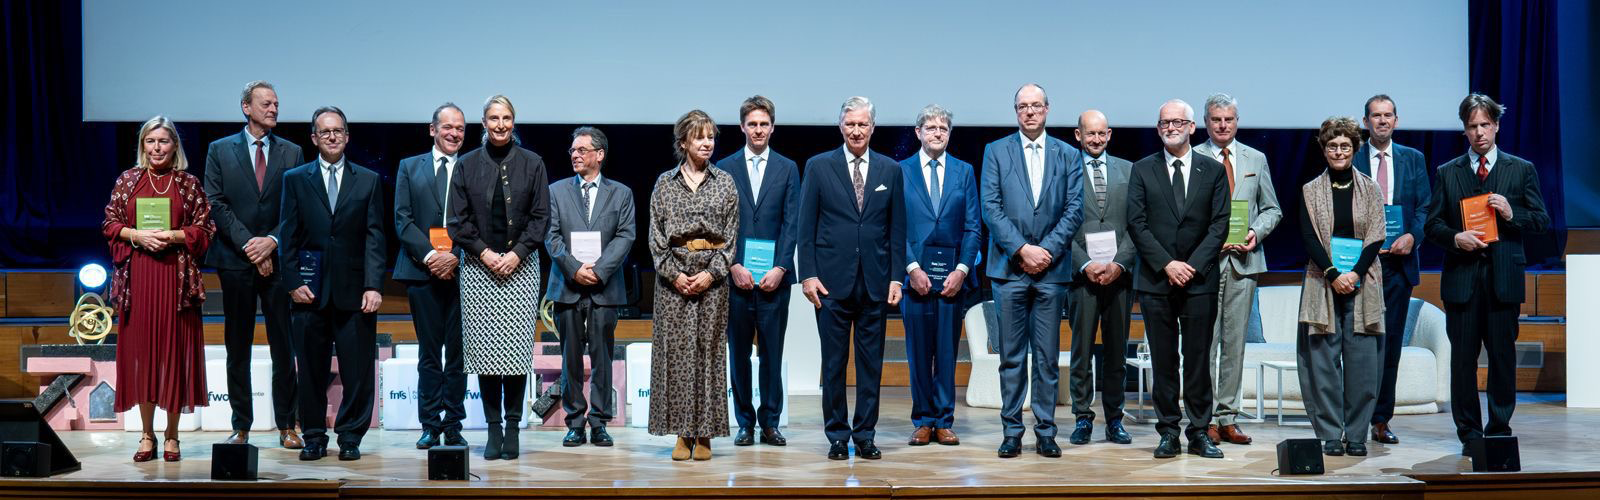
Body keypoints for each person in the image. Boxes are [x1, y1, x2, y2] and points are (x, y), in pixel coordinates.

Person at [1423, 93, 1549, 456]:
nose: (1479, 132)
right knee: (1463, 362)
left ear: (1496, 126)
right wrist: (1455, 238)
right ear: (1464, 130)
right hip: (1462, 282)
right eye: (1472, 126)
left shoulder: (1520, 169)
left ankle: (1499, 429)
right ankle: (1469, 434)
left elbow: (1540, 221)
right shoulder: (1448, 172)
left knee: (1502, 359)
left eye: (1485, 125)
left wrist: (1511, 213)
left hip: (1503, 281)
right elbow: (1432, 225)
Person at [798, 96, 907, 461]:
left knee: (870, 366)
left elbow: (897, 229)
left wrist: (896, 278)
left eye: (862, 124)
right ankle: (836, 435)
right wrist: (808, 275)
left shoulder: (890, 169)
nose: (856, 131)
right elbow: (805, 227)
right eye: (850, 124)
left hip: (875, 283)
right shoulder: (818, 166)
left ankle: (865, 435)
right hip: (830, 285)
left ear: (872, 128)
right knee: (833, 365)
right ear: (840, 127)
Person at [102, 116, 215, 462]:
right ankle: (147, 434)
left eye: (163, 141)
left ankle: (172, 436)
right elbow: (110, 223)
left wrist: (174, 236)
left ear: (174, 145)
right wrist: (136, 235)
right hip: (139, 279)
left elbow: (205, 229)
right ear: (142, 145)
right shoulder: (128, 180)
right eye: (150, 141)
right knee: (144, 357)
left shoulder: (188, 183)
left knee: (173, 355)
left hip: (175, 282)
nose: (156, 148)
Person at [979, 84, 1083, 459]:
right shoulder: (996, 151)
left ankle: (1046, 431)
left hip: (1051, 272)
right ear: (1016, 111)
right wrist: (1023, 249)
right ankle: (1011, 431)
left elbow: (1075, 209)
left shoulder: (1067, 154)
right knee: (1010, 356)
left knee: (1046, 358)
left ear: (1047, 109)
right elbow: (990, 207)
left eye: (1036, 105)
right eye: (1023, 106)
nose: (1029, 112)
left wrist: (1046, 251)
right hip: (1009, 270)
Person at [279, 106, 386, 461]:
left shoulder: (368, 180)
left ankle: (351, 436)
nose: (332, 136)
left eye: (338, 130)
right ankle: (313, 436)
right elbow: (288, 235)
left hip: (355, 293)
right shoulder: (295, 179)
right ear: (314, 138)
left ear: (347, 136)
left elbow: (375, 237)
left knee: (357, 371)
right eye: (325, 131)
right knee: (311, 370)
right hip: (309, 293)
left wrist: (374, 285)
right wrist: (292, 282)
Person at [204, 80, 304, 449]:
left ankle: (287, 425)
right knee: (238, 345)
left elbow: (296, 206)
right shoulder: (220, 149)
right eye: (266, 103)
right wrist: (251, 246)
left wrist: (271, 242)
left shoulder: (292, 152)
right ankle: (241, 425)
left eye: (276, 103)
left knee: (283, 346)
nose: (274, 109)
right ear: (246, 107)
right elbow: (216, 203)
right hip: (235, 260)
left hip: (279, 260)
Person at [449, 94, 550, 461]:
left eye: (506, 118)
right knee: (486, 353)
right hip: (479, 269)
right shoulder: (466, 164)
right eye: (494, 118)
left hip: (521, 269)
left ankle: (513, 426)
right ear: (484, 123)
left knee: (515, 353)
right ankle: (493, 428)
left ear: (513, 121)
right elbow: (458, 221)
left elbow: (541, 218)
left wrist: (516, 254)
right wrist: (486, 254)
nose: (500, 125)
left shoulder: (533, 163)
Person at [1127, 99, 1229, 459]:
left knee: (1198, 359)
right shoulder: (1142, 169)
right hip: (1156, 281)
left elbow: (1220, 224)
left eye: (1177, 122)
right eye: (1164, 123)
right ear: (1158, 129)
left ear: (1191, 127)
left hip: (1199, 281)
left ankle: (1199, 431)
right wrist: (1168, 264)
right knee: (1164, 360)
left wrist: (1192, 266)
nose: (1170, 128)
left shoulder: (1212, 170)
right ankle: (1168, 431)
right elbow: (1136, 223)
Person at [1191, 93, 1281, 446]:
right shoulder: (1192, 157)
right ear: (1205, 122)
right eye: (1216, 119)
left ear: (1237, 122)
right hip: (1206, 264)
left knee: (1234, 344)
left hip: (1243, 263)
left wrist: (1255, 232)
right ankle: (1205, 418)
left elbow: (1272, 209)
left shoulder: (1255, 158)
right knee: (1204, 343)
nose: (1222, 125)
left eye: (1228, 119)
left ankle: (1227, 417)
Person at [647, 110, 738, 461]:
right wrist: (675, 275)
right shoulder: (664, 183)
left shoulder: (725, 182)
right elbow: (656, 238)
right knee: (676, 354)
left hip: (712, 283)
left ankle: (705, 434)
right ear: (683, 142)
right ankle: (682, 433)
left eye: (711, 137)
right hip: (674, 283)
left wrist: (710, 274)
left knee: (708, 353)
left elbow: (730, 238)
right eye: (699, 137)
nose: (707, 143)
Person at [1295, 116, 1386, 457]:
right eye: (1332, 146)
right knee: (1322, 363)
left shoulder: (1371, 189)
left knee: (1363, 363)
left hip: (1363, 284)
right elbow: (1308, 237)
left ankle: (1357, 434)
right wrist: (1334, 274)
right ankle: (1331, 433)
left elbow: (1377, 234)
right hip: (1322, 282)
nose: (1338, 151)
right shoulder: (1310, 190)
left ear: (1354, 149)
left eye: (1345, 146)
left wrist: (1355, 274)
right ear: (1324, 149)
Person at [715, 95, 800, 448]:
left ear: (773, 127)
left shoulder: (788, 168)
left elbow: (792, 223)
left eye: (764, 124)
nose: (759, 130)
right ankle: (745, 423)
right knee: (738, 356)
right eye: (753, 124)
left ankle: (770, 423)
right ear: (742, 127)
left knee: (771, 355)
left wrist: (781, 267)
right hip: (735, 279)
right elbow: (718, 223)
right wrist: (732, 264)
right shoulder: (724, 167)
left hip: (774, 281)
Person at [546, 126, 636, 448]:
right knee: (570, 358)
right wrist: (574, 269)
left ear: (600, 155)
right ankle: (574, 423)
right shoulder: (556, 191)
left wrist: (598, 271)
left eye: (582, 150)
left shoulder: (621, 193)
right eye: (572, 150)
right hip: (567, 286)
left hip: (604, 287)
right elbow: (551, 236)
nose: (575, 155)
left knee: (602, 358)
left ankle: (599, 422)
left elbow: (625, 235)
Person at [898, 104, 980, 447]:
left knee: (946, 353)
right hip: (914, 279)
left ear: (949, 134)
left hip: (952, 282)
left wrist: (962, 270)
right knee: (918, 355)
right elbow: (894, 226)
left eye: (943, 128)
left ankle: (944, 420)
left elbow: (973, 227)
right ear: (918, 133)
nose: (937, 133)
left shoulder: (964, 171)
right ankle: (923, 420)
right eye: (930, 128)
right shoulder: (900, 170)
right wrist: (912, 268)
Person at [1352, 94, 1430, 445]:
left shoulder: (1413, 158)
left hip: (1398, 264)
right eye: (1376, 116)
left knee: (1391, 343)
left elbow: (1426, 207)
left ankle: (1381, 419)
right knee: (1359, 342)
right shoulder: (1352, 157)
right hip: (1360, 265)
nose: (1382, 121)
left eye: (1388, 115)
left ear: (1396, 120)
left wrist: (1412, 236)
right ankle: (1355, 417)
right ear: (1365, 121)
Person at [393, 103, 468, 449]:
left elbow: (477, 222)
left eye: (460, 128)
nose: (454, 133)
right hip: (421, 272)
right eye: (448, 127)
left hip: (462, 272)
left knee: (457, 354)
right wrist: (430, 256)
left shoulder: (471, 167)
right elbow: (402, 219)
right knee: (429, 352)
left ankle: (453, 424)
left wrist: (454, 256)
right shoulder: (409, 167)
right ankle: (430, 424)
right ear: (432, 129)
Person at [1065, 110, 1135, 446]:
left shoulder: (1129, 170)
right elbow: (1059, 225)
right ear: (1078, 135)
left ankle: (1115, 419)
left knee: (1116, 352)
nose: (1096, 139)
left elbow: (1139, 223)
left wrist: (1120, 263)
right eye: (1089, 133)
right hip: (1082, 277)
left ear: (1109, 134)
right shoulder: (1065, 170)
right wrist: (1084, 263)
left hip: (1119, 277)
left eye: (1101, 133)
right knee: (1081, 351)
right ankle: (1082, 417)